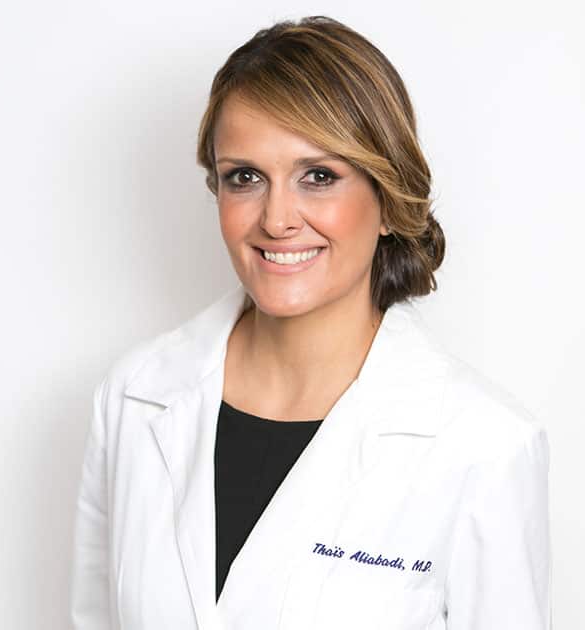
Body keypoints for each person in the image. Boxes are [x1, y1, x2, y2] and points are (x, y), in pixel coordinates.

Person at [71, 15, 551, 630]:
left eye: (318, 177)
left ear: (388, 200)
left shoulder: (484, 446)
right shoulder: (134, 400)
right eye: (245, 177)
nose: (277, 219)